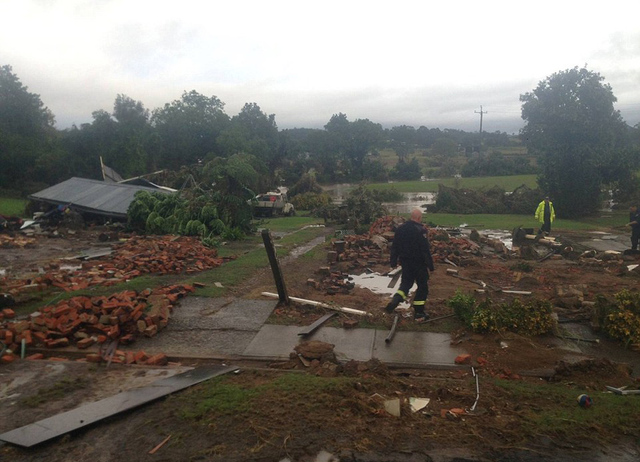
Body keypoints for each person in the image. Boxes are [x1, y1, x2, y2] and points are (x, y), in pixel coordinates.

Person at [384, 208, 435, 322]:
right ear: (418, 218)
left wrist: (393, 262)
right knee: (422, 287)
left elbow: (395, 247)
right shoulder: (421, 230)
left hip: (406, 263)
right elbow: (425, 250)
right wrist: (430, 266)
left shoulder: (400, 229)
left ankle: (395, 301)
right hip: (419, 264)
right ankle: (419, 313)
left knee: (405, 285)